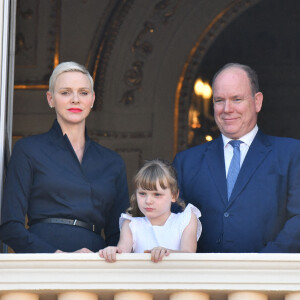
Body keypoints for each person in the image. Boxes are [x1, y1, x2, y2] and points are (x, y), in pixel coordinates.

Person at [0, 61, 129, 253]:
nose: (75, 99)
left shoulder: (112, 162)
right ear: (50, 99)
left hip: (96, 262)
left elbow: (118, 233)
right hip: (43, 261)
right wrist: (56, 257)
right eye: (65, 92)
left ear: (92, 100)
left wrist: (110, 256)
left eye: (83, 93)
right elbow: (9, 225)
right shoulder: (28, 150)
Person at [173, 63, 300, 253]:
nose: (227, 109)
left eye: (237, 99)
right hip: (201, 279)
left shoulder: (291, 153)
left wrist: (259, 265)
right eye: (219, 100)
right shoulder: (186, 162)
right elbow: (168, 221)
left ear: (257, 101)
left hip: (270, 277)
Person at [99, 159, 202, 262]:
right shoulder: (131, 225)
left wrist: (167, 252)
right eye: (142, 193)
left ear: (174, 195)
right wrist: (112, 251)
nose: (148, 201)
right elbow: (121, 255)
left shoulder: (186, 220)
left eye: (157, 194)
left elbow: (189, 254)